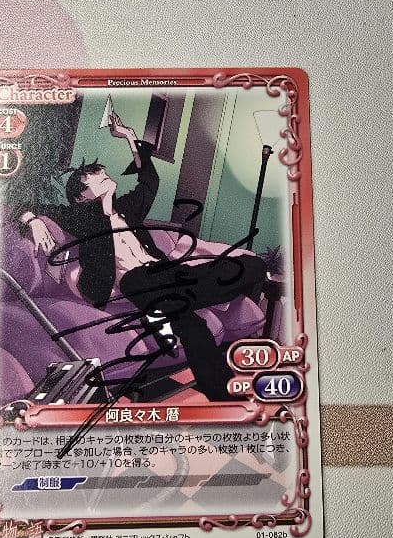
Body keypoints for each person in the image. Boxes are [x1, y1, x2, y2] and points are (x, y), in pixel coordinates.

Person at [18, 112, 267, 401]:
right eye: (94, 177)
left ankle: (163, 309)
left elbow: (149, 181)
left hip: (168, 273)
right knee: (189, 322)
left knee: (251, 265)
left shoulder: (128, 208)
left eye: (101, 172)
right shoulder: (81, 217)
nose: (103, 174)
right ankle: (223, 395)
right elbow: (20, 203)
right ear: (81, 196)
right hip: (134, 282)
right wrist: (32, 220)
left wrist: (129, 137)